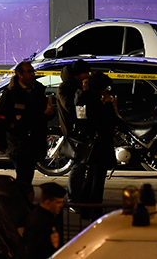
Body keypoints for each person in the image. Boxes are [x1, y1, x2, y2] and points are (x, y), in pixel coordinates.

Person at [0, 61, 54, 186]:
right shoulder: (11, 94)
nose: (33, 74)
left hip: (35, 141)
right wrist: (2, 144)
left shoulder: (38, 90)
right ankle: (22, 202)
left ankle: (24, 200)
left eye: (33, 71)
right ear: (20, 74)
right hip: (19, 143)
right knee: (23, 177)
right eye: (29, 71)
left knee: (28, 175)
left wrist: (49, 113)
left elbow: (41, 115)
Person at [73, 72, 118, 219]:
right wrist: (110, 104)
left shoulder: (81, 98)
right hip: (100, 145)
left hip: (88, 144)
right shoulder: (97, 102)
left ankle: (85, 210)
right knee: (98, 179)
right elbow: (109, 122)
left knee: (89, 176)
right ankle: (95, 212)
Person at [56, 59, 91, 206]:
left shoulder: (77, 86)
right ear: (79, 74)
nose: (88, 75)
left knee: (84, 166)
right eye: (86, 72)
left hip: (84, 129)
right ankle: (73, 200)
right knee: (78, 165)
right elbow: (71, 108)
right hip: (74, 131)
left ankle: (81, 198)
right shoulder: (65, 88)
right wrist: (83, 92)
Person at [23, 182, 66, 259]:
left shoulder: (51, 216)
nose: (61, 205)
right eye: (58, 202)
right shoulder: (37, 221)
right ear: (48, 202)